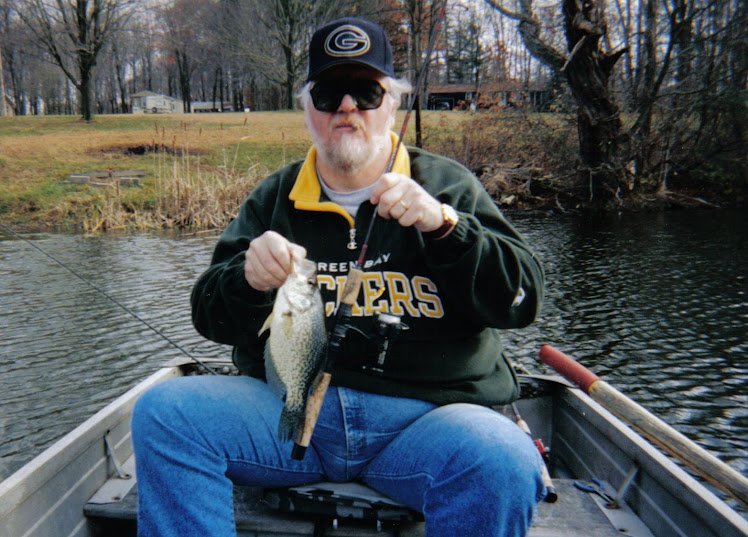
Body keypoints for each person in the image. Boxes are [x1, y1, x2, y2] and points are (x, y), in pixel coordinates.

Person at [132, 17, 547, 537]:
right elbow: (209, 316)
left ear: (392, 103)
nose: (347, 108)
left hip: (428, 426)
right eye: (329, 94)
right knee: (165, 415)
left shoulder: (447, 187)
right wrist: (246, 279)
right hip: (291, 421)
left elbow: (521, 299)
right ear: (307, 109)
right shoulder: (274, 198)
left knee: (501, 458)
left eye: (366, 92)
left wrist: (447, 229)